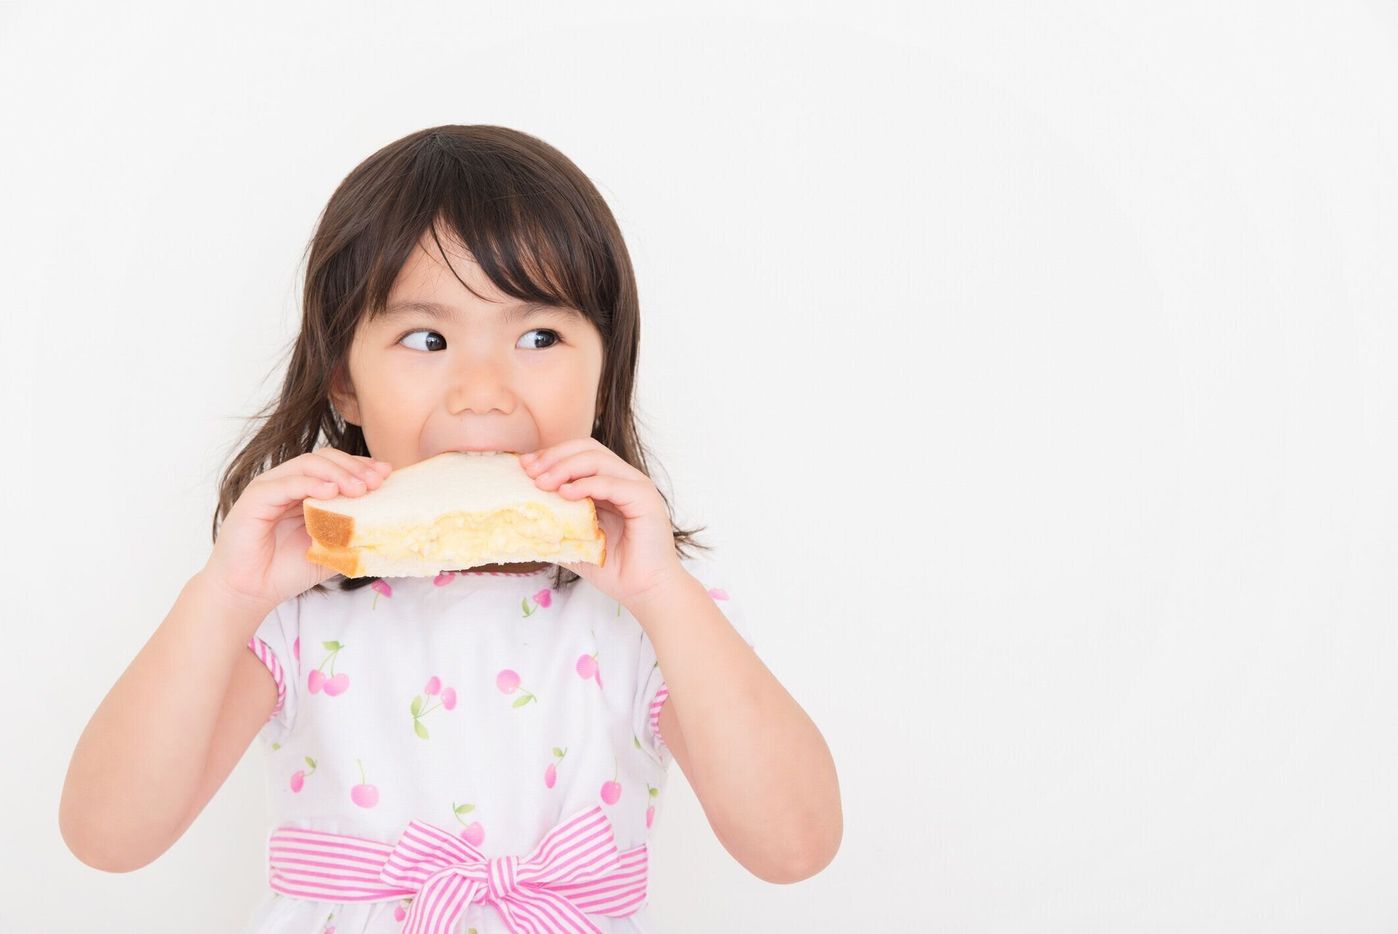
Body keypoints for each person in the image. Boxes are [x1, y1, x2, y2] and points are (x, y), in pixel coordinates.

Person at [59, 125, 842, 933]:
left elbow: (794, 848)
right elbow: (109, 837)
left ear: (607, 373)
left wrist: (665, 595)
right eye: (425, 339)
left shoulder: (651, 607)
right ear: (345, 385)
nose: (482, 392)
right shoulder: (297, 604)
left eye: (538, 337)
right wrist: (222, 597)